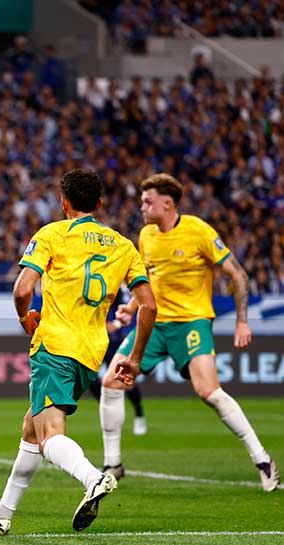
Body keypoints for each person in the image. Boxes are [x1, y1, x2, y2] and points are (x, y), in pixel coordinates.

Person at [0, 168, 157, 536]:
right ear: (99, 203)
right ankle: (4, 512)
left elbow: (22, 289)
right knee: (32, 427)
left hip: (54, 345)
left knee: (49, 434)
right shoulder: (123, 245)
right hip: (90, 353)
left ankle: (93, 477)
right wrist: (134, 359)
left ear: (64, 203)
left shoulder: (53, 234)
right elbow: (149, 306)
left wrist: (26, 319)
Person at [99, 173, 279, 491]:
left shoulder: (198, 231)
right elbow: (149, 278)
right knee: (111, 380)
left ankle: (262, 458)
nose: (141, 206)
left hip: (192, 322)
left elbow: (237, 274)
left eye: (147, 201)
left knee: (208, 392)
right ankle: (113, 463)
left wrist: (241, 321)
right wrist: (130, 306)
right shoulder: (146, 235)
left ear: (167, 203)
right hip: (153, 323)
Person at [88, 288, 148, 436]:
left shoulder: (114, 282)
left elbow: (126, 306)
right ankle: (108, 410)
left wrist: (116, 324)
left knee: (124, 377)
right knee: (89, 377)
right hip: (91, 338)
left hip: (112, 340)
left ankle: (139, 412)